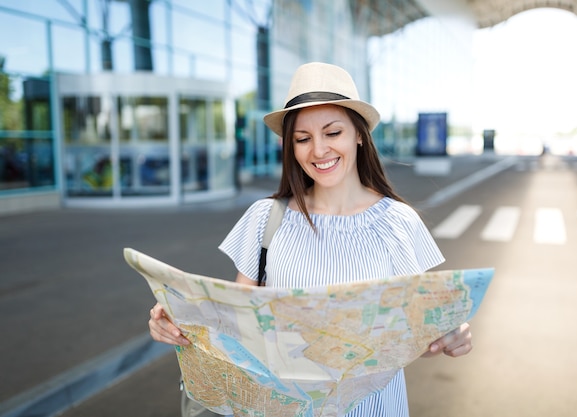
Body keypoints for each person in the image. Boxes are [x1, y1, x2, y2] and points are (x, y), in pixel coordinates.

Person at [149, 62, 473, 416]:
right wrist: (178, 320)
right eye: (303, 139)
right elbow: (236, 324)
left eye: (332, 133)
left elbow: (415, 333)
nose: (318, 150)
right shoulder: (266, 218)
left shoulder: (398, 222)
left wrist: (448, 336)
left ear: (359, 135)